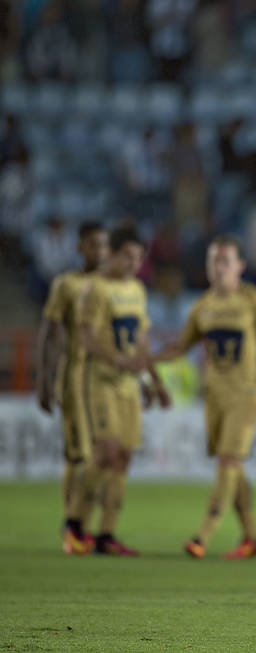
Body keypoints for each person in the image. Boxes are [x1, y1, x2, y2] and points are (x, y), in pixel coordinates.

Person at [153, 235, 256, 559]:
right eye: (213, 261)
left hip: (246, 394)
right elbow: (182, 345)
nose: (218, 268)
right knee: (233, 466)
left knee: (229, 461)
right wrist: (151, 358)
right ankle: (252, 538)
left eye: (225, 261)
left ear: (240, 266)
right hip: (214, 396)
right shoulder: (202, 306)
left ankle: (202, 536)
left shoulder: (253, 301)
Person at [62, 225, 170, 556]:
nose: (134, 263)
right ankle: (75, 525)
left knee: (122, 458)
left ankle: (106, 535)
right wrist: (117, 360)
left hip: (128, 385)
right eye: (128, 255)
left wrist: (154, 380)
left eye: (139, 257)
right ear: (112, 254)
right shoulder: (95, 289)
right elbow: (87, 337)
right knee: (105, 452)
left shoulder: (137, 290)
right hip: (101, 382)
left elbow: (140, 338)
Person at [37, 221, 108, 546]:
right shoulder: (66, 283)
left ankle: (84, 526)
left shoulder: (113, 285)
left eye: (105, 245)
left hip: (106, 380)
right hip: (75, 376)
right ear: (80, 247)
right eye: (93, 244)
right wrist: (44, 379)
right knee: (78, 456)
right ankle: (72, 529)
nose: (100, 251)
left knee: (103, 456)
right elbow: (49, 333)